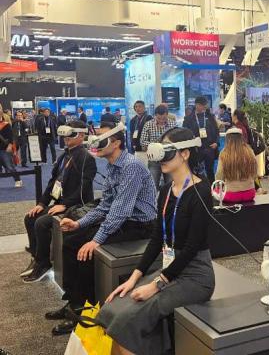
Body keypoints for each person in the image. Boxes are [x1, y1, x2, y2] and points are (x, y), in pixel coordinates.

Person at [98, 128, 214, 355]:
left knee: (127, 320)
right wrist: (134, 278)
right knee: (113, 307)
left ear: (185, 154)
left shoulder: (201, 192)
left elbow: (191, 248)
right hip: (169, 268)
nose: (160, 158)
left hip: (195, 275)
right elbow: (156, 240)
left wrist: (156, 285)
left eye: (166, 152)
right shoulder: (165, 190)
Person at [50, 121, 156, 335]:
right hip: (123, 220)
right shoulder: (112, 166)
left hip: (140, 225)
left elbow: (121, 211)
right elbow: (106, 205)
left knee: (87, 249)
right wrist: (79, 223)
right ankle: (74, 301)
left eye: (101, 138)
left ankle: (86, 311)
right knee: (72, 239)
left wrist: (96, 240)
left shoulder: (131, 166)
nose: (95, 142)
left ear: (116, 142)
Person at [21, 121, 96, 283]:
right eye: (65, 135)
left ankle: (44, 264)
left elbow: (84, 188)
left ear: (81, 135)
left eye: (71, 135)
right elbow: (53, 182)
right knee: (30, 217)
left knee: (41, 223)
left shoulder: (86, 158)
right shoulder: (64, 155)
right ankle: (37, 257)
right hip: (59, 202)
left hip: (77, 206)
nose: (66, 139)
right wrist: (42, 203)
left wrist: (66, 205)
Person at [183, 96, 219, 183]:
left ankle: (212, 190)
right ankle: (196, 190)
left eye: (205, 105)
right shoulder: (189, 119)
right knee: (194, 171)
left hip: (209, 148)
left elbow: (216, 130)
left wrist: (216, 143)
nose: (204, 107)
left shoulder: (210, 117)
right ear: (196, 105)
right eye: (202, 105)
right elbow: (184, 133)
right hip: (195, 149)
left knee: (210, 171)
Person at [215, 127, 257, 203]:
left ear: (228, 139)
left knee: (215, 191)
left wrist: (217, 188)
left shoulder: (224, 153)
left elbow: (219, 175)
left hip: (230, 195)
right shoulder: (249, 151)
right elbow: (255, 172)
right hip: (250, 193)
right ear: (241, 138)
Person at [141, 105, 177, 189]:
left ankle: (169, 201)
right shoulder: (148, 125)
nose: (161, 121)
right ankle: (153, 201)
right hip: (154, 159)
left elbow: (177, 140)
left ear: (167, 115)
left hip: (169, 159)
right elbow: (142, 141)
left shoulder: (173, 124)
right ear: (155, 115)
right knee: (152, 185)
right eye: (159, 119)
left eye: (163, 119)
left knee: (170, 185)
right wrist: (156, 146)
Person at [0, 113, 22, 187]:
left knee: (9, 166)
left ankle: (18, 180)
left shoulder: (6, 124)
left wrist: (10, 145)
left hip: (4, 149)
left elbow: (10, 136)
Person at [129, 100, 153, 165]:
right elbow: (131, 134)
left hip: (146, 148)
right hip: (136, 147)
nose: (138, 108)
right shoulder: (133, 120)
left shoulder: (149, 118)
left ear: (144, 108)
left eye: (140, 106)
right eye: (136, 107)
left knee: (147, 168)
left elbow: (151, 134)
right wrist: (132, 147)